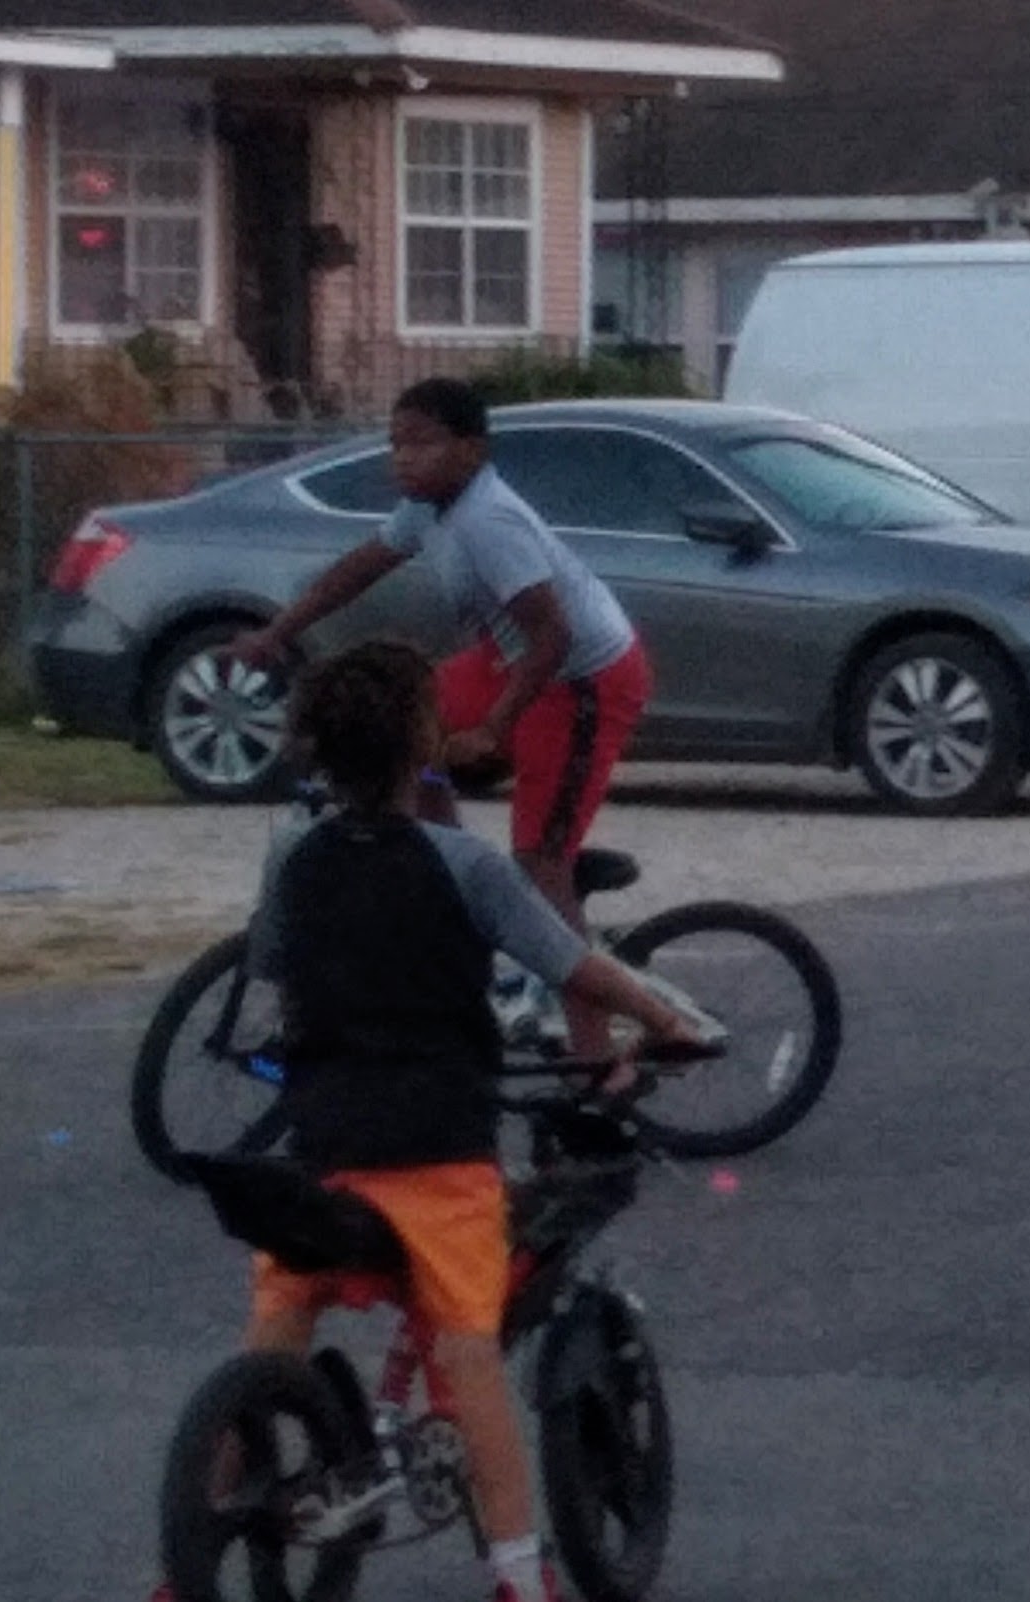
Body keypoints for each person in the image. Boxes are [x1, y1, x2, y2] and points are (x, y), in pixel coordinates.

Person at [198, 639, 709, 1602]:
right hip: (436, 1156)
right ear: (420, 744)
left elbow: (273, 972)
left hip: (323, 1155)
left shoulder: (296, 861)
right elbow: (573, 967)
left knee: (277, 1322)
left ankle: (192, 1546)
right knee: (467, 1346)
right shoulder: (466, 864)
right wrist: (662, 1018)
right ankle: (520, 1574)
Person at [229, 379, 652, 939]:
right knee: (399, 726)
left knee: (540, 869)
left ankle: (600, 1022)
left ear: (472, 449)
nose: (404, 458)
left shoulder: (488, 521)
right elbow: (359, 569)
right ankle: (456, 873)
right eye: (396, 443)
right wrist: (276, 632)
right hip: (511, 658)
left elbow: (554, 635)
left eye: (422, 443)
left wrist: (493, 729)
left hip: (583, 678)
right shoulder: (427, 509)